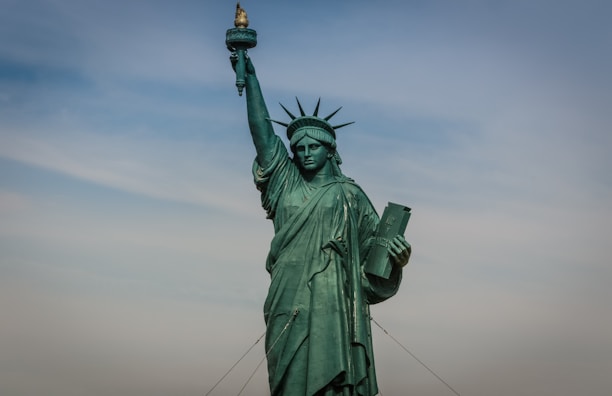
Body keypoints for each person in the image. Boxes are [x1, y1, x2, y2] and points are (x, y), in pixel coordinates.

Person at [231, 54, 411, 396]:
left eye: (314, 146)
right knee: (288, 381)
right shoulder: (285, 184)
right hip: (288, 293)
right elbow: (263, 135)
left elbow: (375, 259)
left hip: (336, 300)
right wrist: (251, 79)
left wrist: (396, 260)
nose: (305, 153)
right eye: (298, 149)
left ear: (330, 151)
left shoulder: (351, 195)